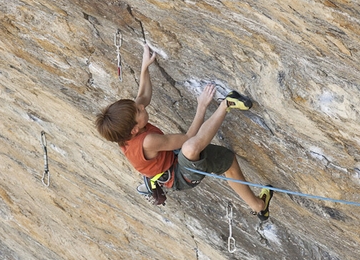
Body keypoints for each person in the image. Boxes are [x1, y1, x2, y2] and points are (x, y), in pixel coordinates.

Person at [95, 44, 273, 220]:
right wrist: (201, 107)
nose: (141, 106)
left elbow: (142, 96)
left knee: (228, 161)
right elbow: (189, 138)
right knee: (190, 148)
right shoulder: (146, 141)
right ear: (135, 129)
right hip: (179, 176)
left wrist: (144, 68)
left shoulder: (126, 129)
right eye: (140, 111)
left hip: (173, 158)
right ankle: (227, 104)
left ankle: (259, 207)